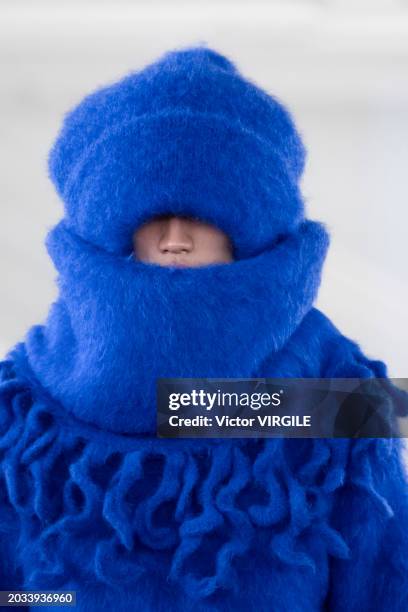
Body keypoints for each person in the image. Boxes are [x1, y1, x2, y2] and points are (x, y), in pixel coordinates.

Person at [0, 45, 408, 612]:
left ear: (248, 220)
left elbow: (381, 592)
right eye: (149, 212)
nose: (174, 237)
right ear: (109, 219)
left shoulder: (336, 397)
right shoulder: (26, 405)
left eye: (202, 212)